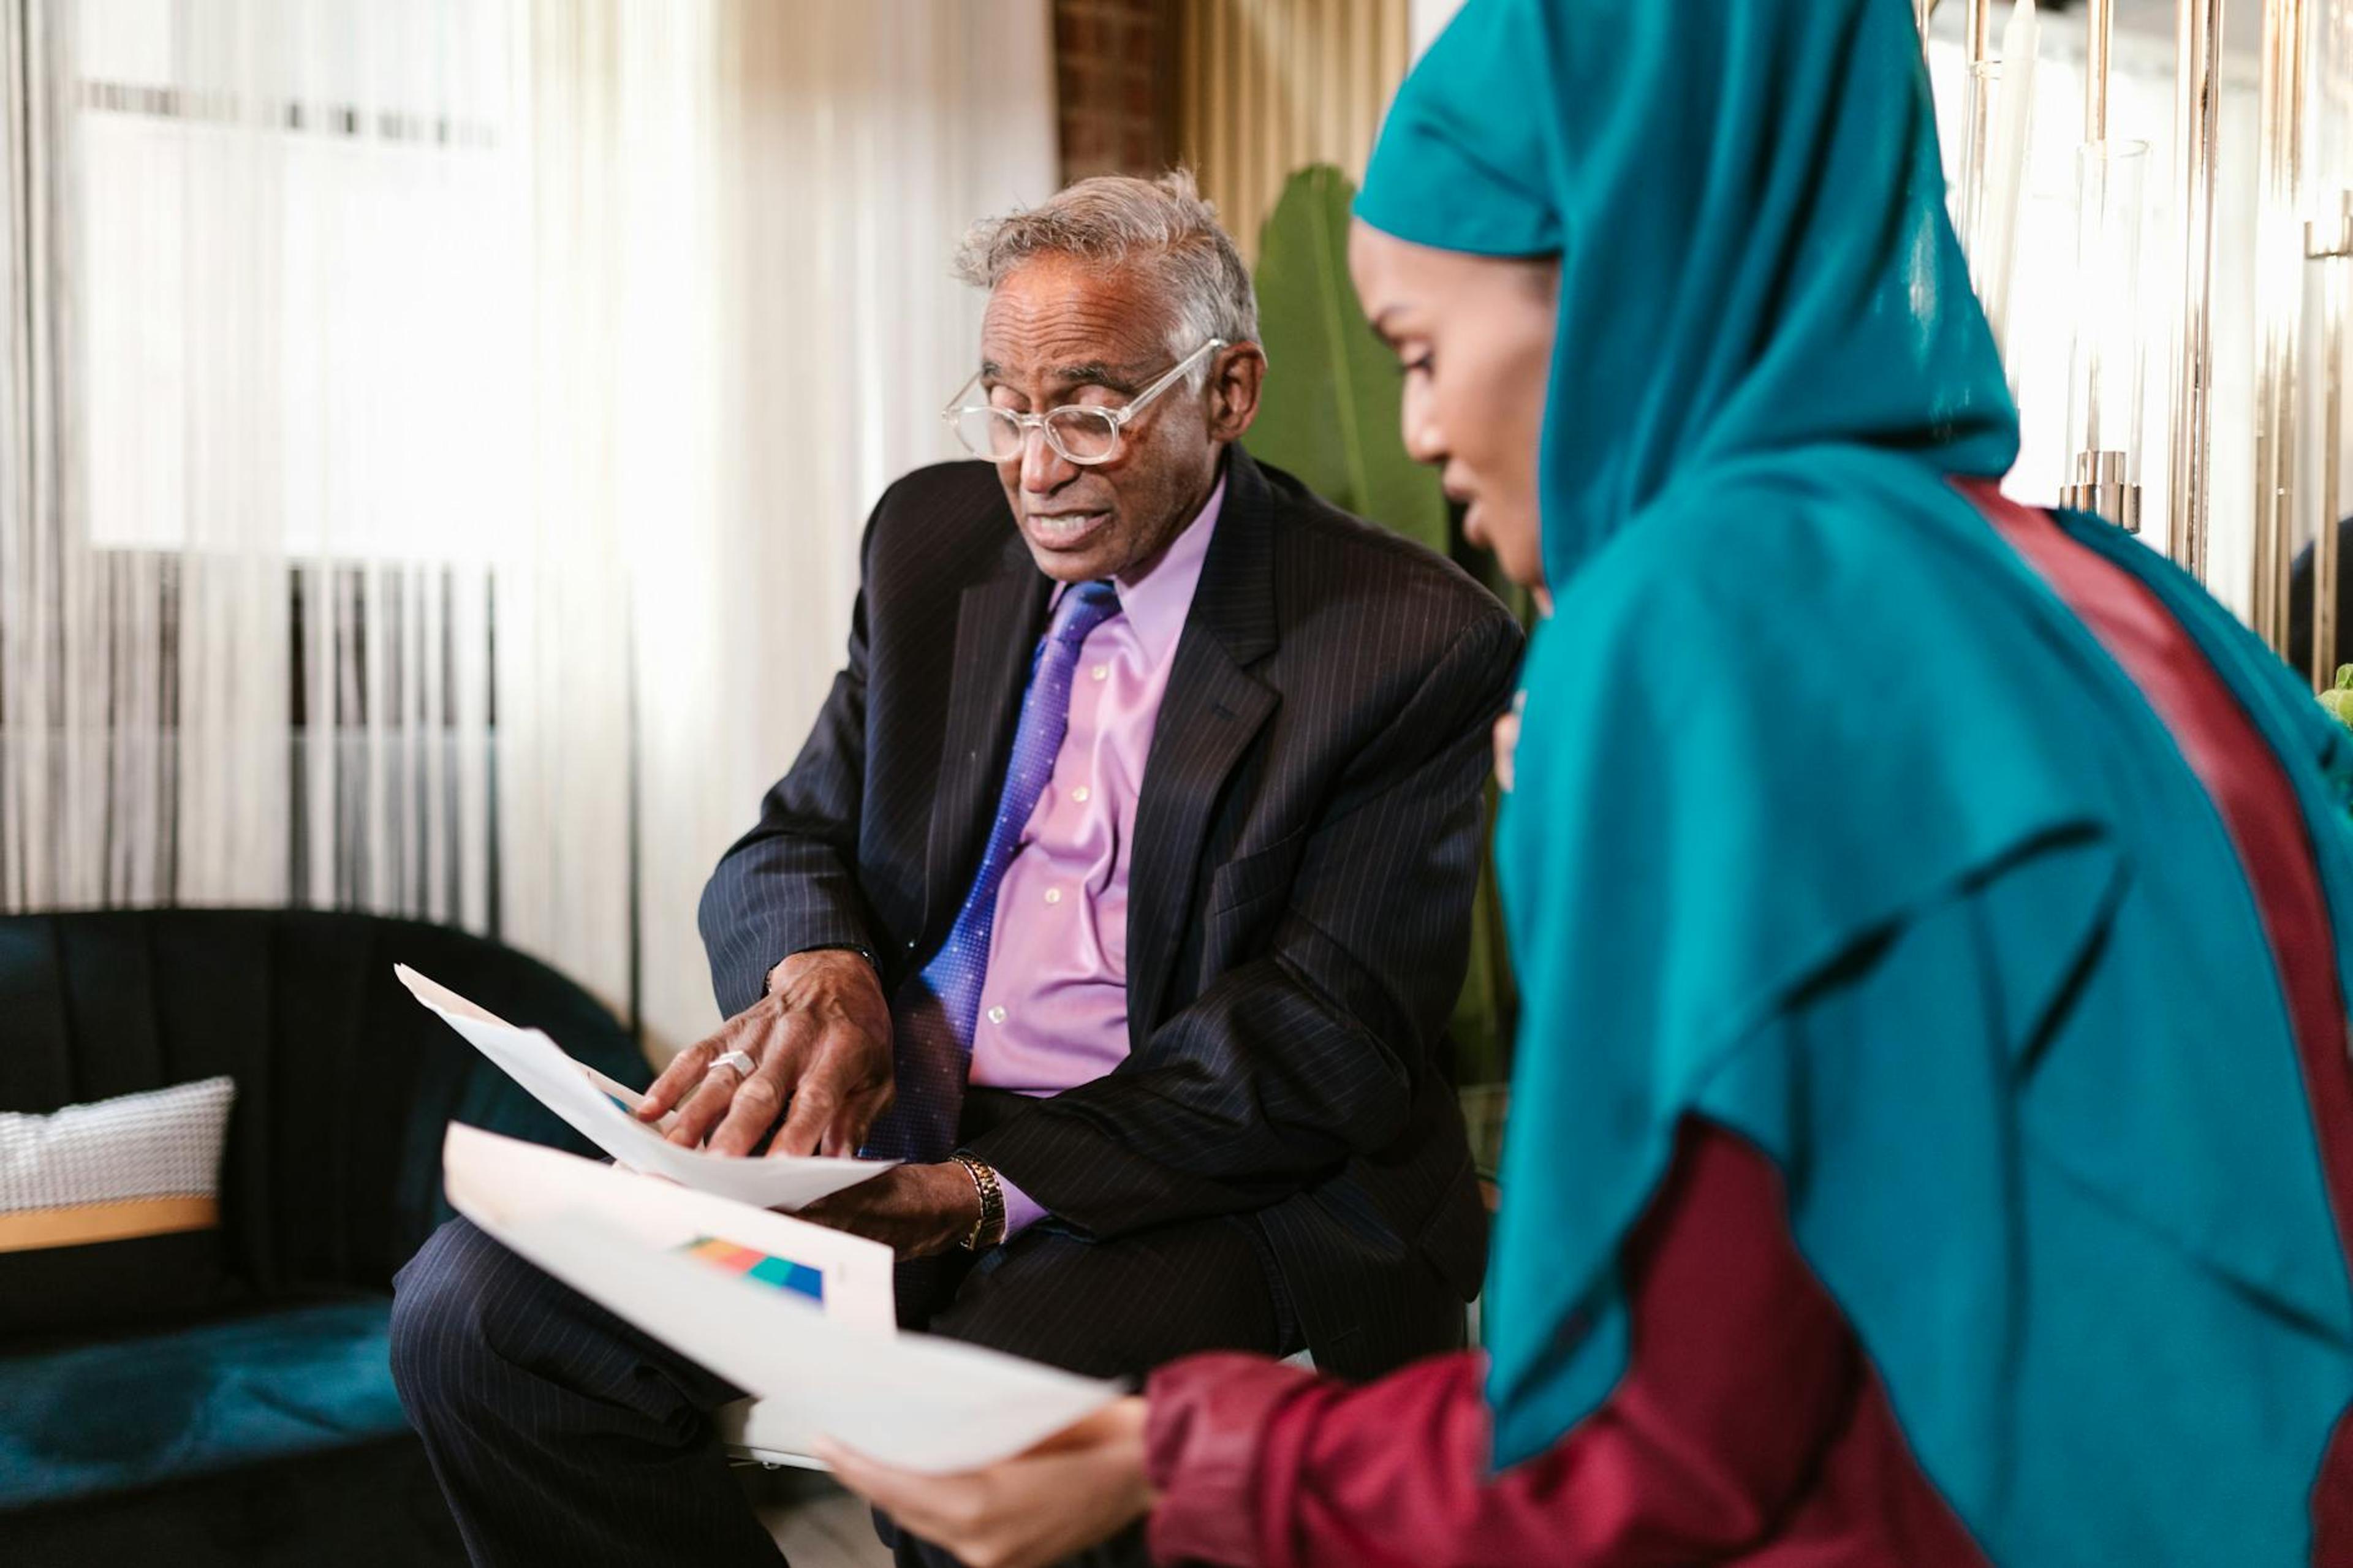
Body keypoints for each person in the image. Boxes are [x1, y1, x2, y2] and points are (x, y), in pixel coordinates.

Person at [814, 2, 2353, 1564]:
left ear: (1617, 286)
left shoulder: (1695, 622)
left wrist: (1176, 1451)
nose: (1417, 428)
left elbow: (1649, 1448)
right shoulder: (2128, 604)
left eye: (1421, 348)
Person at [388, 170, 1521, 1567]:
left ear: (1228, 392)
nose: (1034, 465)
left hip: (1193, 1180)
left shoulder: (1404, 636)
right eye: (1004, 401)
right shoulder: (930, 544)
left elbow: (1317, 1041)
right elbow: (791, 839)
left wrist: (981, 1188)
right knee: (481, 1312)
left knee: (965, 1422)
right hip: (885, 1152)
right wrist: (829, 980)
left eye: (1090, 407)